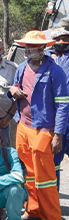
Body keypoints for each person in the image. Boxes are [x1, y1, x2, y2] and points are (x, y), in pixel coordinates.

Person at [9, 30, 68, 220]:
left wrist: (58, 135)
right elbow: (15, 87)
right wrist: (12, 90)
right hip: (23, 127)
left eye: (33, 46)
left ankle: (52, 218)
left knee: (46, 177)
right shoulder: (22, 67)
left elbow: (63, 105)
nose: (29, 49)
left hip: (44, 130)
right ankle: (33, 210)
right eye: (27, 46)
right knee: (29, 173)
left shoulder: (55, 71)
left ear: (43, 48)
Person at [49, 27, 69, 187]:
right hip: (54, 119)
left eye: (65, 39)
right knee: (54, 160)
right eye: (58, 39)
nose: (62, 42)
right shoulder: (46, 59)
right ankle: (53, 196)